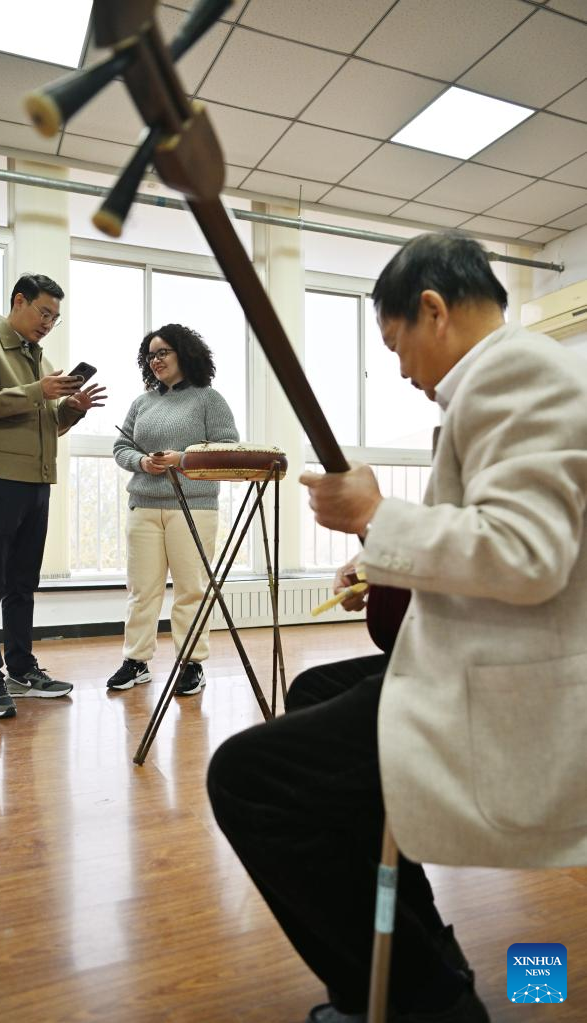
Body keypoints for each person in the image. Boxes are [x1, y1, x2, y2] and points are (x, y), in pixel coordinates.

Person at [208, 232, 587, 1023]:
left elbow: (527, 554)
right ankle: (421, 953)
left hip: (518, 696)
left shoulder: (514, 373)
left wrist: (377, 515)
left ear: (434, 311)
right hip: (493, 657)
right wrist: (382, 559)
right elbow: (492, 536)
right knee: (315, 689)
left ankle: (423, 1000)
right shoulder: (502, 380)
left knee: (251, 778)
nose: (404, 370)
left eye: (396, 345)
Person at [0, 272, 107, 720]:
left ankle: (21, 668)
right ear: (19, 301)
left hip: (36, 480)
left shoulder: (39, 359)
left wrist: (70, 410)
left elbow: (48, 422)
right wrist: (37, 392)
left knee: (23, 584)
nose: (48, 323)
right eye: (44, 313)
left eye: (54, 318)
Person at [107, 323, 238, 696]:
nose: (156, 360)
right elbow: (121, 447)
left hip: (193, 507)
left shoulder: (209, 399)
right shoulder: (142, 402)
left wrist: (184, 458)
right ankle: (136, 661)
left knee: (190, 589)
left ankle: (192, 664)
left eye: (163, 352)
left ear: (185, 353)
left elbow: (228, 449)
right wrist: (142, 462)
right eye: (150, 355)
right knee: (142, 591)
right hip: (144, 506)